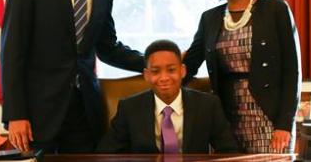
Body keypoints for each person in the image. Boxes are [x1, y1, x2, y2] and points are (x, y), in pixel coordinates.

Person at [0, 0, 145, 153]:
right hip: (37, 115)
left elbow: (108, 48)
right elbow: (12, 51)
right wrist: (15, 114)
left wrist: (152, 62)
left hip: (85, 114)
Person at [183, 0, 301, 153]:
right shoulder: (209, 18)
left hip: (268, 118)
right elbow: (190, 64)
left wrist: (284, 124)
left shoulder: (276, 10)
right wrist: (155, 70)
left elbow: (292, 72)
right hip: (224, 118)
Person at [97, 39, 239, 154]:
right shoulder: (129, 108)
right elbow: (106, 154)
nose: (164, 78)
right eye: (156, 71)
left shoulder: (208, 105)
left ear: (182, 71)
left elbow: (228, 151)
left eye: (171, 70)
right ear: (146, 75)